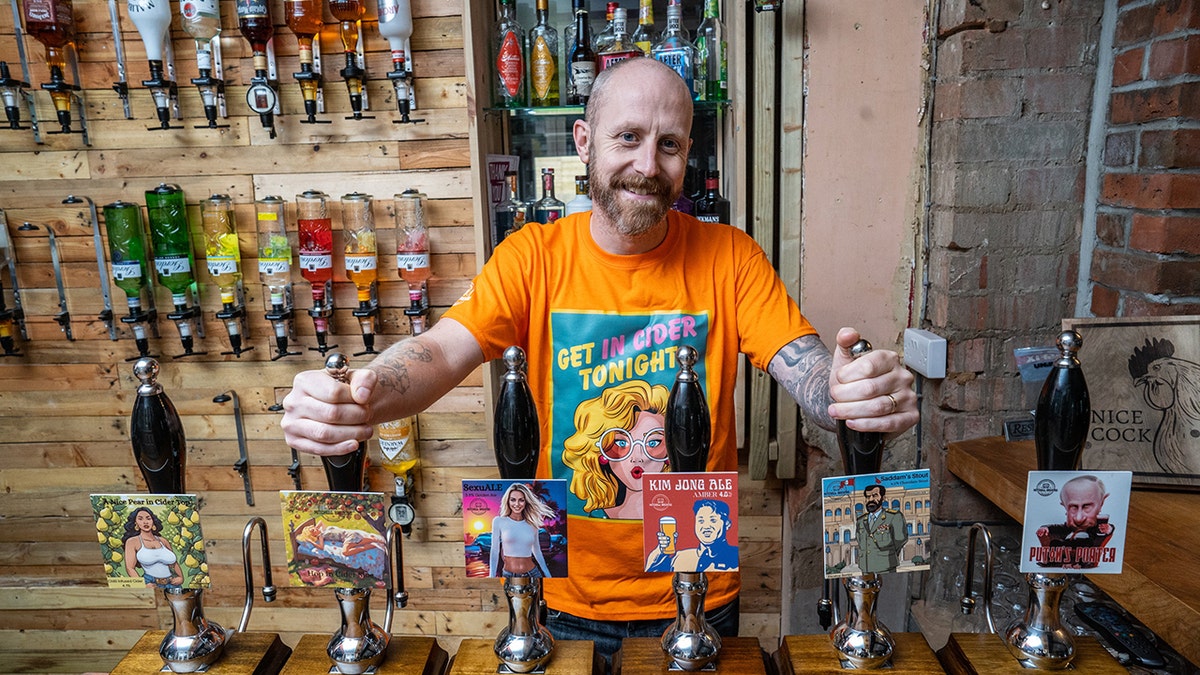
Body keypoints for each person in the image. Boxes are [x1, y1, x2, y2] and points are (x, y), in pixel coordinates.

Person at [281, 57, 917, 657]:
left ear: (687, 155)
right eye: (628, 138)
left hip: (695, 585)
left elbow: (801, 362)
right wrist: (358, 393)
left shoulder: (731, 256)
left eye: (669, 144)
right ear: (584, 141)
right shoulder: (532, 255)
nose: (648, 164)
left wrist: (849, 385)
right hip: (559, 597)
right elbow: (440, 351)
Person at [562, 380, 669, 519]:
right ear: (600, 453)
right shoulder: (598, 517)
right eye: (621, 443)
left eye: (653, 443)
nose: (637, 457)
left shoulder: (683, 515)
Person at [647, 499, 739, 573]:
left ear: (727, 524)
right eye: (701, 521)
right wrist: (661, 550)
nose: (706, 526)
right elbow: (651, 574)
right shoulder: (680, 557)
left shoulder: (733, 556)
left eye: (713, 520)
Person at [490, 483, 555, 578]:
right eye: (513, 500)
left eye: (521, 500)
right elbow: (495, 551)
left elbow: (537, 551)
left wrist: (548, 574)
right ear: (507, 501)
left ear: (526, 502)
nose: (517, 504)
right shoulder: (499, 521)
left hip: (533, 573)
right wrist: (491, 575)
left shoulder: (532, 524)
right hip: (508, 574)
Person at [1036, 474, 1114, 554]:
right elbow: (1056, 529)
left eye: (1086, 507)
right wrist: (1045, 529)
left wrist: (1108, 529)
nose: (1079, 519)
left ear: (1102, 503)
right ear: (1064, 506)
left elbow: (1100, 536)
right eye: (1073, 507)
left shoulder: (1097, 531)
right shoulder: (1067, 530)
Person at [122, 507, 183, 588]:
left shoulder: (163, 541)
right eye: (140, 519)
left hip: (172, 583)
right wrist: (142, 585)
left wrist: (181, 577)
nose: (145, 522)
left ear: (153, 521)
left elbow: (174, 563)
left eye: (148, 518)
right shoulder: (132, 542)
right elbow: (130, 568)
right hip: (150, 583)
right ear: (135, 523)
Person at [854, 485, 908, 574]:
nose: (870, 499)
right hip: (865, 568)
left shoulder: (893, 517)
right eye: (868, 497)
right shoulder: (861, 520)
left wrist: (888, 555)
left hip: (886, 567)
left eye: (875, 495)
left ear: (883, 498)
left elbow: (900, 540)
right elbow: (860, 541)